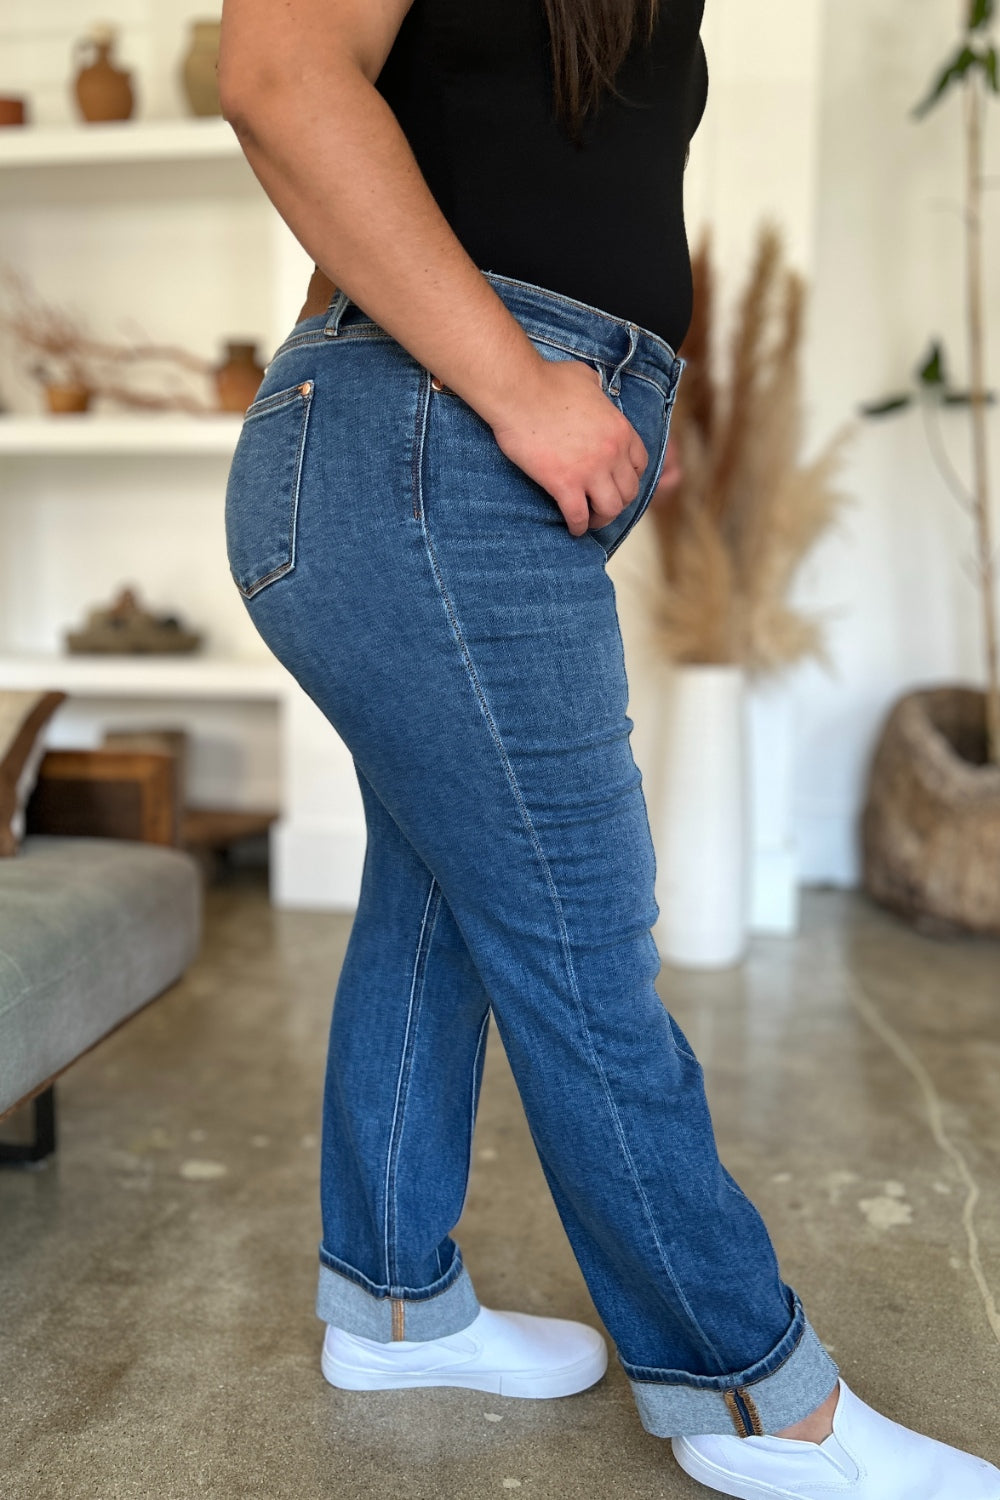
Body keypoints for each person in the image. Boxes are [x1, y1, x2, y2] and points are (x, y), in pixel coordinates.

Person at [216, 3, 999, 1496]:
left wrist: (628, 379)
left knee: (440, 895)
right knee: (581, 929)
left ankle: (392, 1306)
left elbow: (554, 165)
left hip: (460, 438)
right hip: (430, 436)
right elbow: (277, 77)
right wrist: (519, 379)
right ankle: (755, 1402)